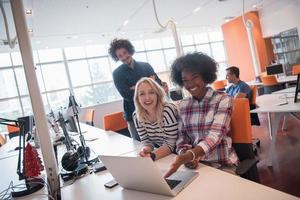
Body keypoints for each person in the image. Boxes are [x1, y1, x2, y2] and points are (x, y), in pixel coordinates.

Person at [164, 52, 238, 178]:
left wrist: (190, 155)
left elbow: (215, 136)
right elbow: (182, 138)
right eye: (185, 80)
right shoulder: (182, 105)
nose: (190, 84)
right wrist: (186, 155)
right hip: (196, 165)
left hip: (222, 164)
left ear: (205, 76)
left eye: (195, 77)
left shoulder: (223, 100)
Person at [108, 38, 162, 141]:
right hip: (133, 113)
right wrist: (148, 84)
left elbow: (158, 84)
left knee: (159, 142)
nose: (124, 57)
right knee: (139, 144)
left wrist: (134, 87)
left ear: (130, 50)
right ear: (116, 57)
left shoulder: (146, 66)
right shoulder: (117, 73)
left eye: (125, 52)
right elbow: (126, 95)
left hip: (155, 111)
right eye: (120, 55)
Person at [133, 77, 178, 161]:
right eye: (142, 94)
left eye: (151, 92)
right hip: (165, 155)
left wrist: (152, 156)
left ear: (158, 94)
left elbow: (171, 144)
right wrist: (144, 151)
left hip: (181, 153)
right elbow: (146, 142)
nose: (147, 98)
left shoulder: (167, 110)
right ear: (137, 98)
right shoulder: (137, 116)